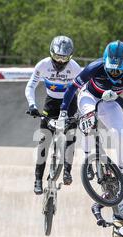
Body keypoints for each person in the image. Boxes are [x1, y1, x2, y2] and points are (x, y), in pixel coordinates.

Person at [58, 40, 123, 172]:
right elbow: (72, 88)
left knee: (120, 133)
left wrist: (117, 98)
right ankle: (87, 161)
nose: (114, 73)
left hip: (111, 102)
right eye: (111, 69)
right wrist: (63, 112)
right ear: (105, 62)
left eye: (118, 71)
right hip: (89, 96)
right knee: (89, 122)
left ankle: (122, 170)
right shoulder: (95, 66)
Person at [25, 36, 82, 194]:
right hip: (51, 103)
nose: (61, 62)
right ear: (51, 54)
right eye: (57, 57)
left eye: (65, 58)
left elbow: (85, 89)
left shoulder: (75, 67)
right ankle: (38, 179)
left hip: (70, 102)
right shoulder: (42, 65)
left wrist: (84, 109)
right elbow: (31, 86)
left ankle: (67, 171)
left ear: (70, 57)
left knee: (71, 135)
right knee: (44, 140)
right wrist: (32, 105)